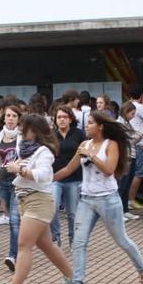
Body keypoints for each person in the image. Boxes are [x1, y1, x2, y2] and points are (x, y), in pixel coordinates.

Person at [54, 110, 143, 284]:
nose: (86, 126)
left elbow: (109, 170)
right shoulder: (84, 144)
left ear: (100, 126)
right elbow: (67, 169)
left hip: (108, 199)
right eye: (87, 122)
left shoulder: (110, 145)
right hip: (87, 199)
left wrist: (91, 156)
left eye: (90, 123)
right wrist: (46, 178)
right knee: (79, 242)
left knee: (121, 240)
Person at [0, 114, 74, 284]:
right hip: (27, 200)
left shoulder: (44, 151)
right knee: (47, 245)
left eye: (26, 127)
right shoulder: (29, 150)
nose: (22, 130)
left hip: (38, 201)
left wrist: (20, 169)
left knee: (24, 245)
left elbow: (45, 175)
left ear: (35, 130)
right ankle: (73, 277)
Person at [0, 104, 22, 270]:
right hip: (2, 181)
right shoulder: (0, 136)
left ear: (18, 119)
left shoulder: (23, 137)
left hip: (18, 183)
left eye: (14, 116)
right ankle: (24, 247)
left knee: (15, 222)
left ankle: (13, 256)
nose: (10, 119)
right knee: (13, 220)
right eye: (8, 115)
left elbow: (27, 157)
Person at [50, 105, 85, 248]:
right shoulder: (51, 135)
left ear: (71, 119)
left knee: (72, 212)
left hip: (74, 179)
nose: (62, 120)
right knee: (52, 209)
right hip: (55, 178)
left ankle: (73, 239)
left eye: (65, 117)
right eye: (59, 117)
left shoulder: (79, 134)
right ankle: (55, 238)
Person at [126, 85, 143, 210]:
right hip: (139, 142)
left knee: (131, 172)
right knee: (139, 173)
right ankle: (131, 199)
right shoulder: (140, 107)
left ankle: (128, 199)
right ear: (141, 96)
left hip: (130, 142)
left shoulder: (127, 105)